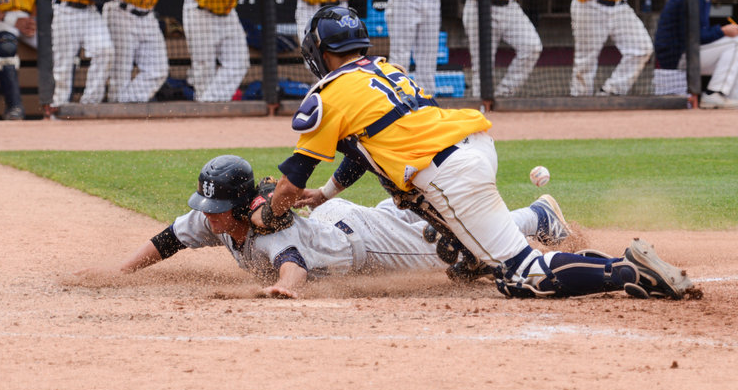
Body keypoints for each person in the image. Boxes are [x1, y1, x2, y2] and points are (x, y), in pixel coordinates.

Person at [256, 5, 695, 301]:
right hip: (472, 146)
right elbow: (364, 150)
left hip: (448, 173)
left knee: (523, 276)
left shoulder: (327, 93)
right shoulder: (386, 70)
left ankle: (629, 272)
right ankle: (475, 252)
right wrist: (327, 194)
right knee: (453, 238)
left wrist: (274, 213)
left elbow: (293, 178)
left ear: (317, 51)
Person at [76, 155, 573, 298]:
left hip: (368, 245)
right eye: (205, 207)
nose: (206, 215)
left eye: (215, 207)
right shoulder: (217, 216)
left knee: (453, 249)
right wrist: (120, 272)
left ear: (238, 202)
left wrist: (284, 292)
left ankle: (537, 217)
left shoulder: (272, 231)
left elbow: (291, 265)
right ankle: (527, 219)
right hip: (339, 226)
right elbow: (168, 239)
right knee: (454, 249)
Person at [655, 0, 738, 109]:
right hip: (677, 57)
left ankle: (731, 98)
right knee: (736, 43)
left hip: (688, 54)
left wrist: (722, 31)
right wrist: (723, 31)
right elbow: (695, 37)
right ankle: (715, 94)